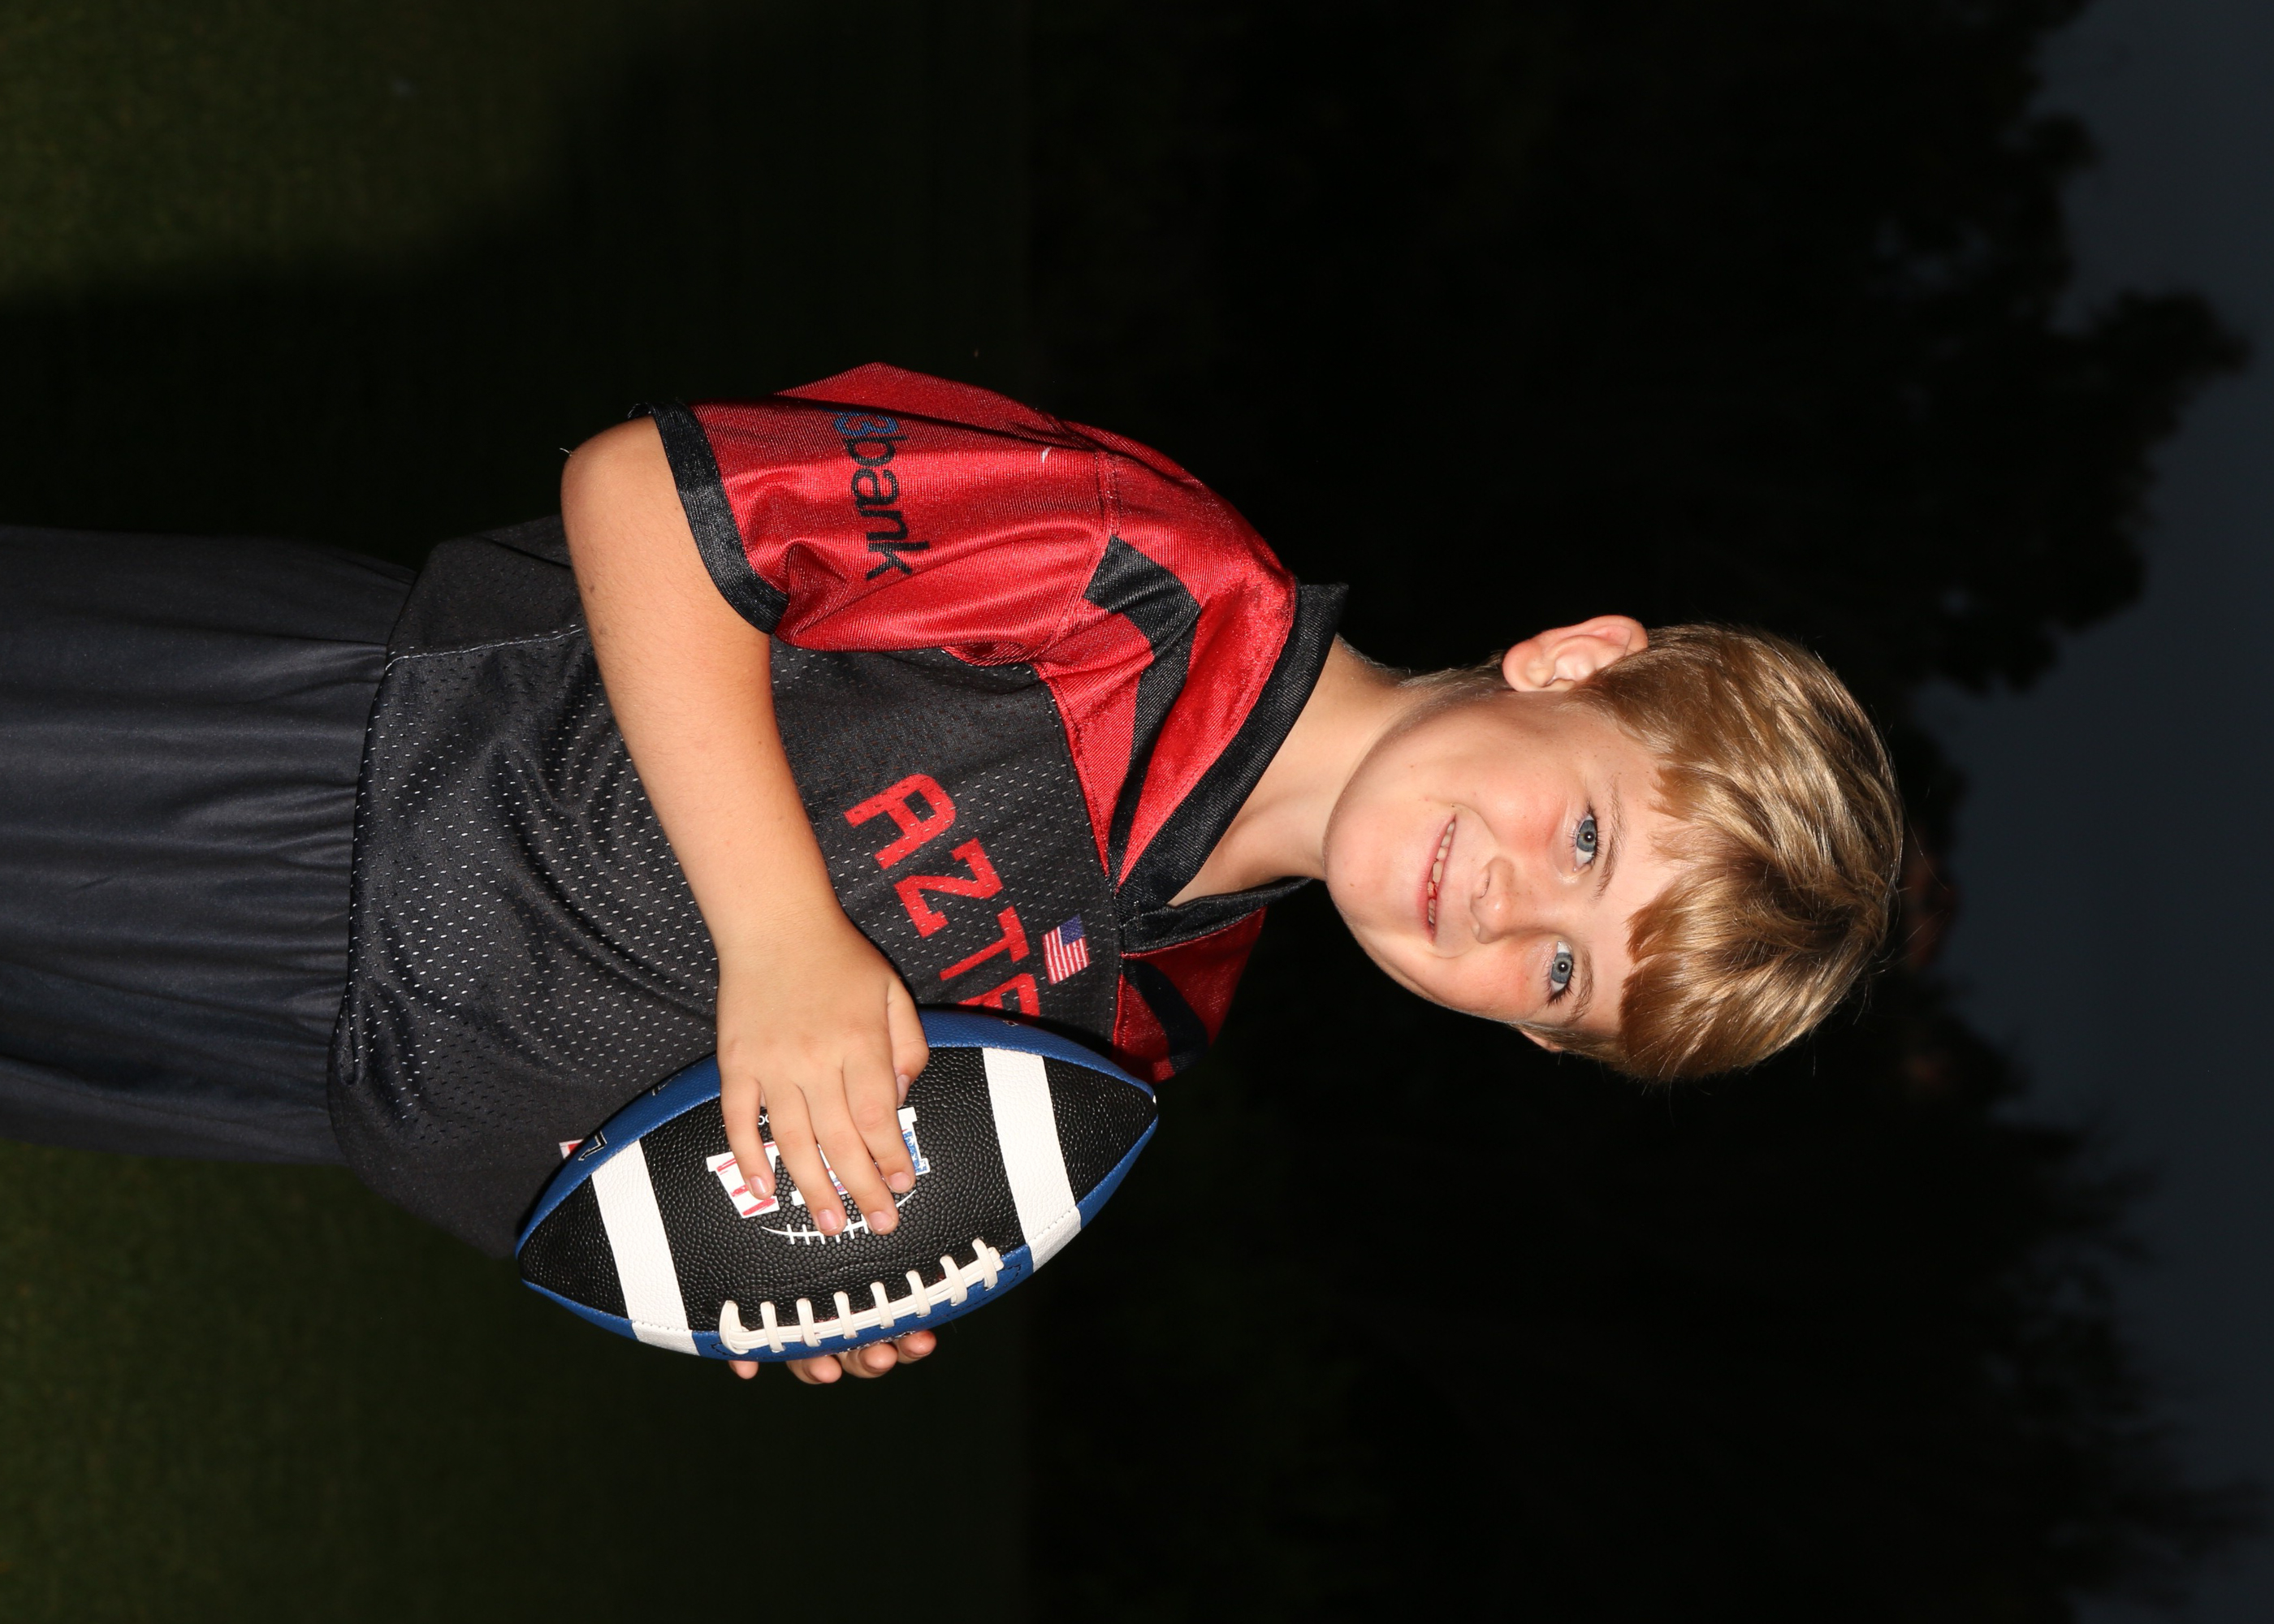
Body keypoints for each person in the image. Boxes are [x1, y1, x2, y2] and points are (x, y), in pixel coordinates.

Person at [0, 364, 1903, 1386]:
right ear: (1570, 662)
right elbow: (644, 496)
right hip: (305, 772)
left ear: (1534, 1043)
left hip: (300, 1073)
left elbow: (754, 1123)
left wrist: (788, 1252)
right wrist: (779, 938)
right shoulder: (1140, 581)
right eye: (1586, 839)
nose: (1509, 907)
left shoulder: (1143, 1029)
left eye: (1563, 976)